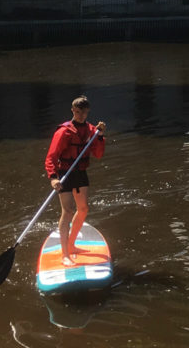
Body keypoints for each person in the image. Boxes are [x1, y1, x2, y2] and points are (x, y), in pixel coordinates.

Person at [45, 95, 107, 266]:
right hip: (64, 172)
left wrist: (100, 136)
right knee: (68, 211)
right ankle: (65, 254)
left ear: (88, 112)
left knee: (84, 209)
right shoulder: (63, 132)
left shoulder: (91, 130)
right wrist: (53, 178)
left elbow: (99, 154)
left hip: (80, 173)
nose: (81, 116)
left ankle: (72, 245)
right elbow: (51, 157)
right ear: (73, 110)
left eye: (85, 113)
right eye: (78, 112)